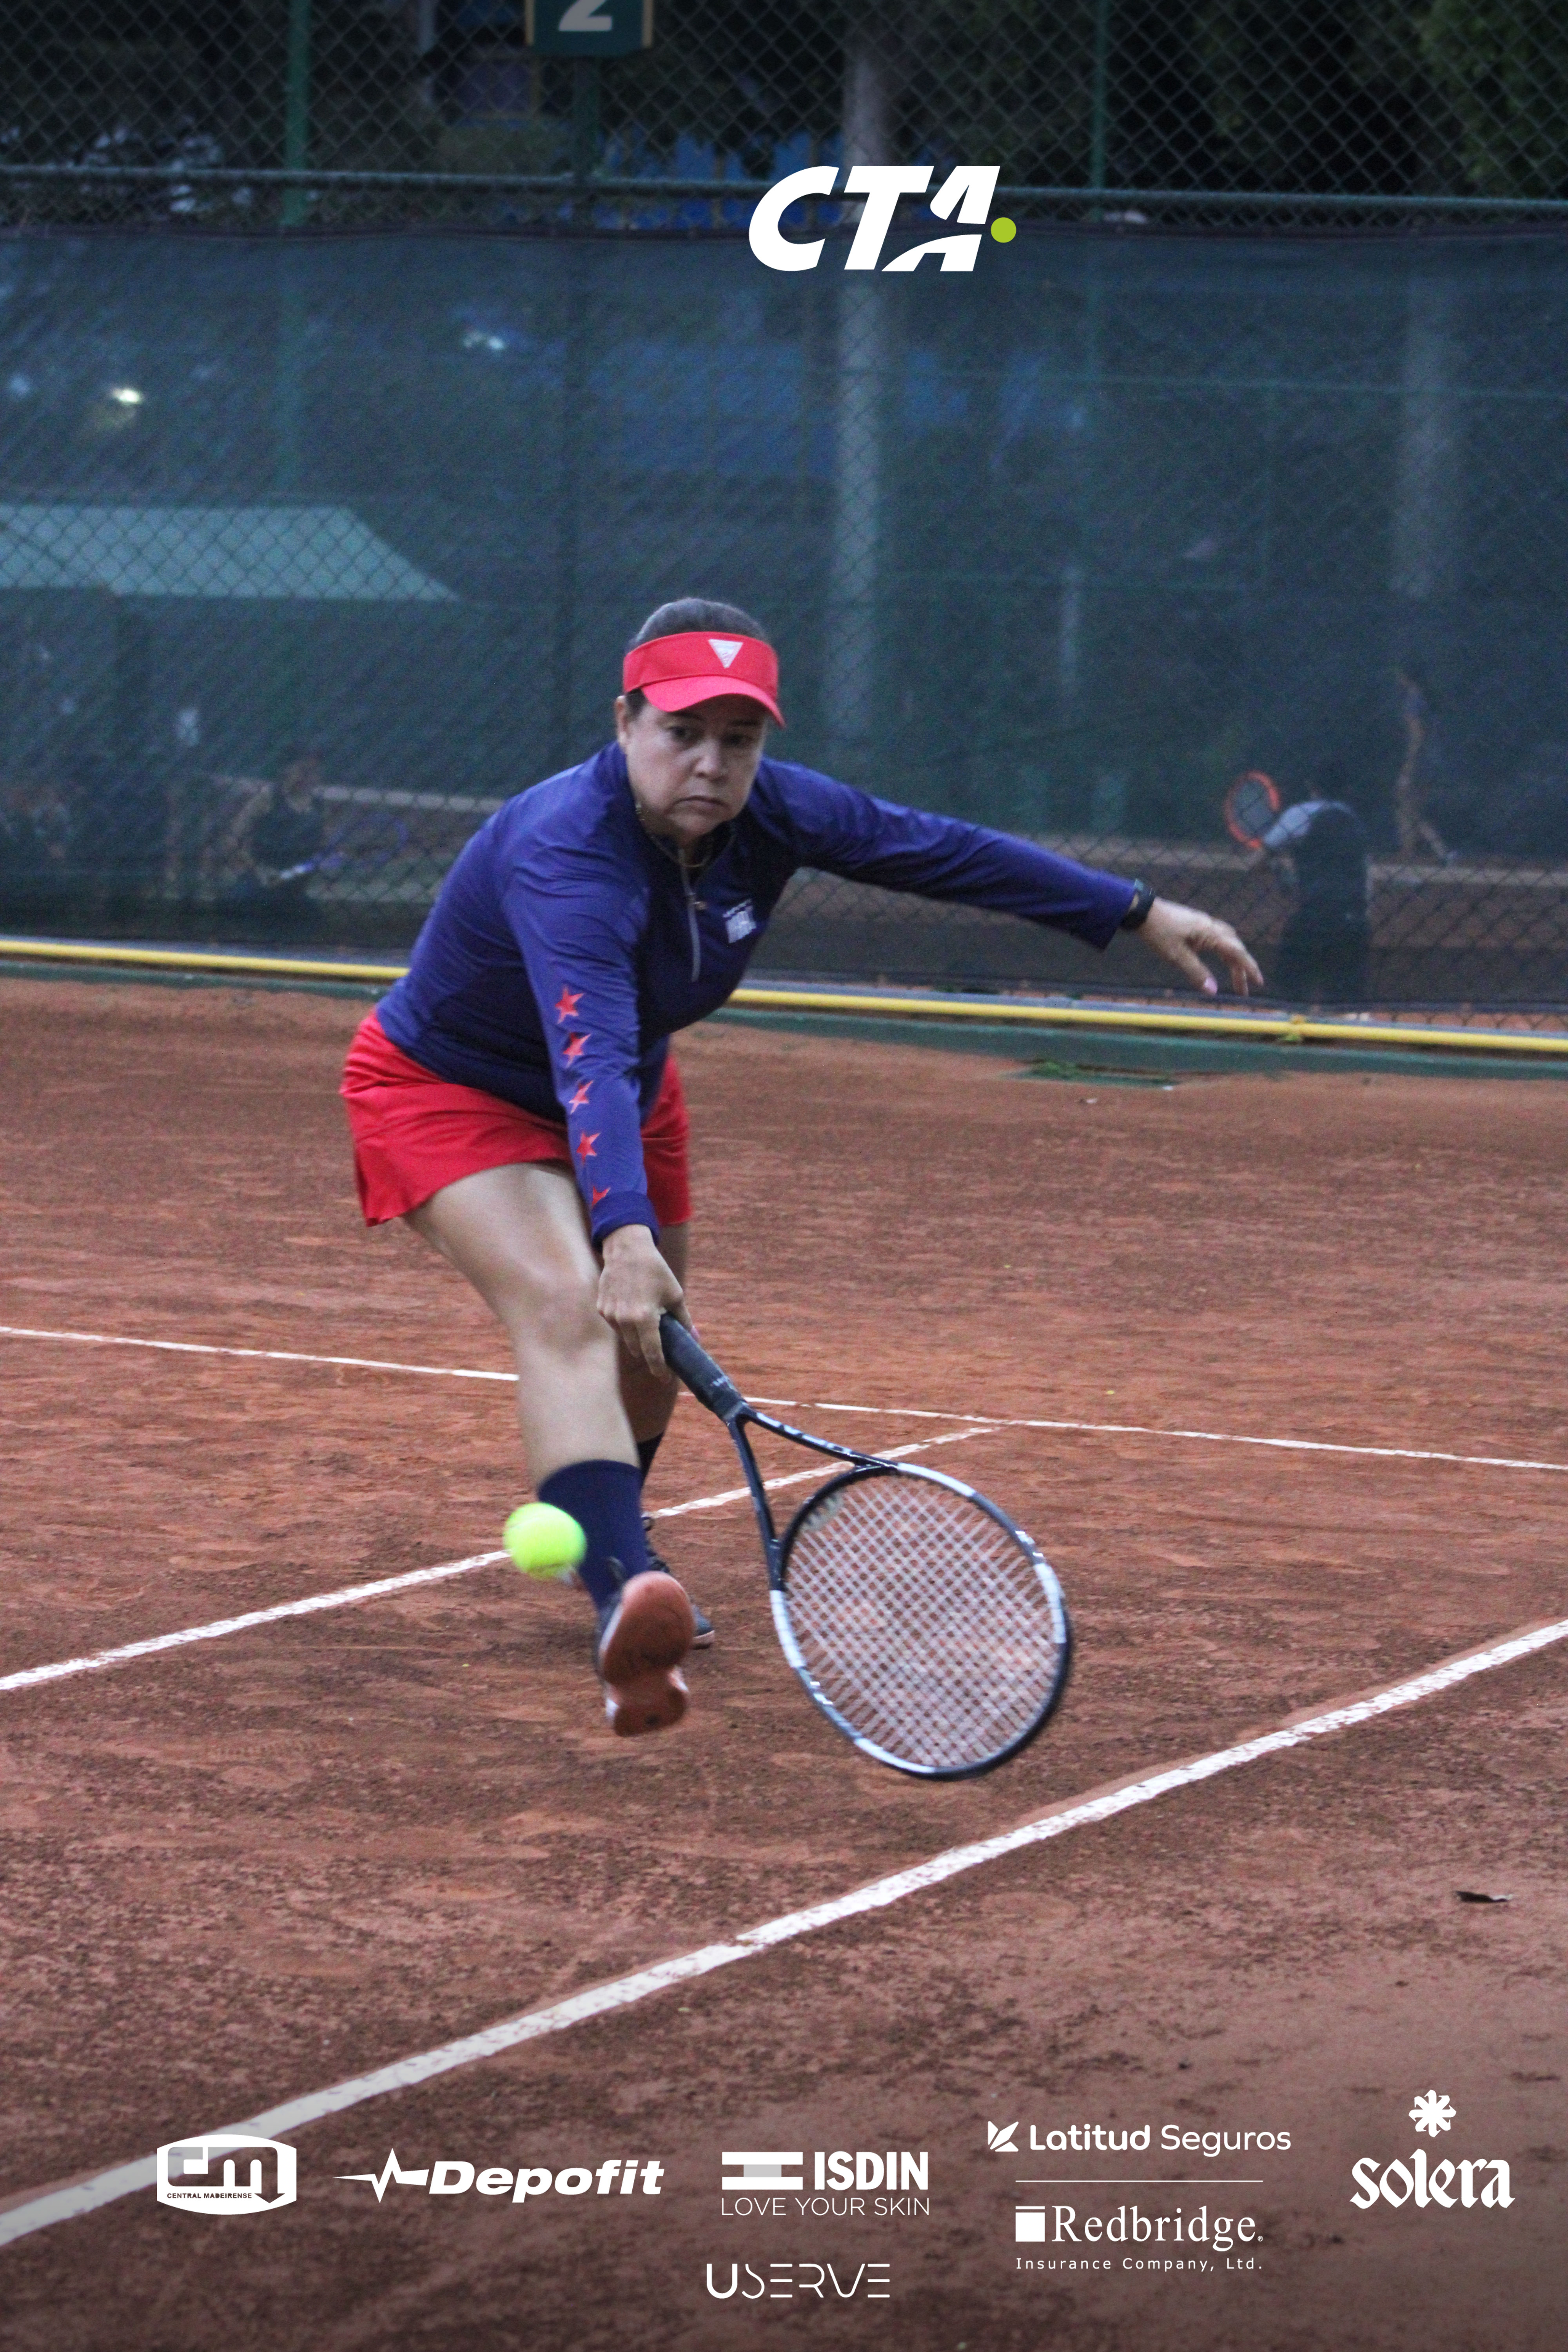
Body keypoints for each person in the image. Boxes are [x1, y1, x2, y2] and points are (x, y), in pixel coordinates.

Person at [340, 598, 1262, 1740]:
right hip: (454, 1091)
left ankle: (611, 1531)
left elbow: (938, 850)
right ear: (623, 720)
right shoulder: (566, 858)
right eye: (681, 731)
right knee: (573, 1305)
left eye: (739, 738)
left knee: (644, 1349)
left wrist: (1132, 908)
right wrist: (617, 1232)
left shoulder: (771, 811)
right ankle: (623, 1586)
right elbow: (582, 1047)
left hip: (630, 1085)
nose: (711, 763)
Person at [1258, 781, 1371, 1005]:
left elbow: (1261, 857)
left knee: (1290, 988)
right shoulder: (1354, 819)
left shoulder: (1301, 813)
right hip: (1353, 915)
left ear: (1312, 787)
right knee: (1345, 996)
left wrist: (1281, 870)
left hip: (1314, 913)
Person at [1393, 668, 1450, 861]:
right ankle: (1413, 852)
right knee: (1410, 808)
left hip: (1420, 763)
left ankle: (1438, 851)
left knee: (1408, 808)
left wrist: (1408, 768)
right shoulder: (1426, 697)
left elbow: (1417, 734)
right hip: (1433, 761)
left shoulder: (1413, 699)